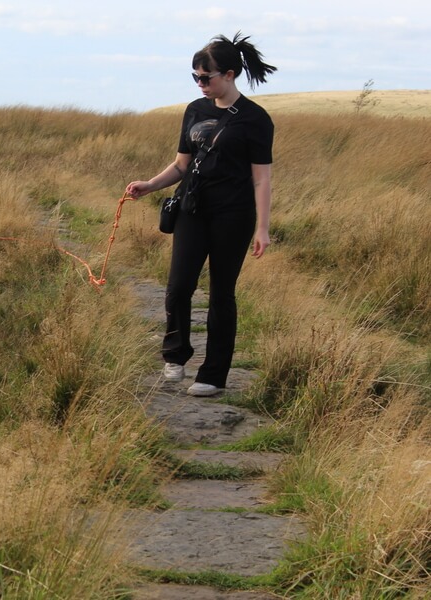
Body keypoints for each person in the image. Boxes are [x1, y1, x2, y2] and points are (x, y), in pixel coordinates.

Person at [125, 33, 276, 397]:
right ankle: (175, 356)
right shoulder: (195, 110)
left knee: (222, 294)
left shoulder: (255, 120)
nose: (200, 84)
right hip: (192, 210)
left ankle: (213, 375)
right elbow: (181, 165)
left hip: (233, 216)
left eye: (206, 78)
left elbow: (261, 178)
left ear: (229, 74)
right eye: (195, 77)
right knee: (178, 288)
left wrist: (262, 228)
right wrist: (150, 184)